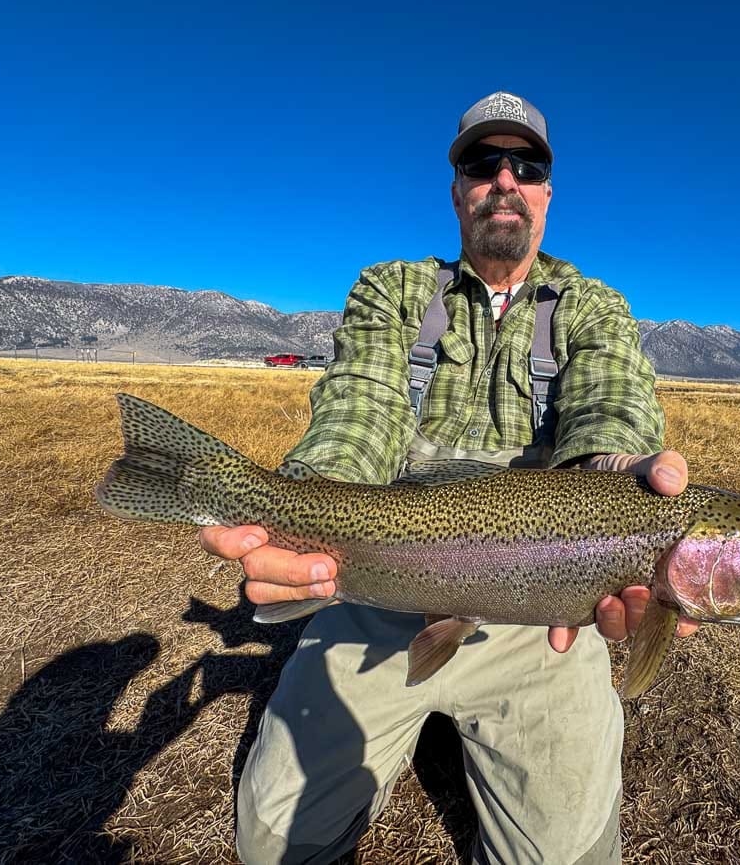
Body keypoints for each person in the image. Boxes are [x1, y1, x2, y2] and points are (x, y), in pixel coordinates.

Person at [201, 91, 698, 865]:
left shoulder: (595, 307)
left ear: (547, 190)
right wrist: (296, 513)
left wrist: (618, 474)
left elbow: (610, 413)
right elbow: (357, 411)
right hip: (375, 580)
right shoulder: (392, 290)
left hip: (543, 610)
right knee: (272, 845)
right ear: (457, 185)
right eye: (482, 161)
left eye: (526, 164)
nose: (505, 177)